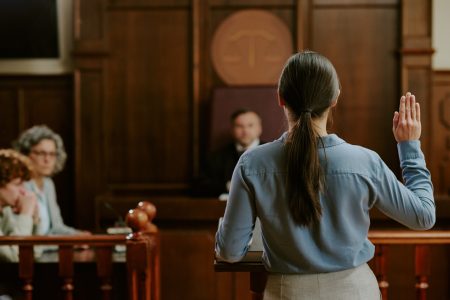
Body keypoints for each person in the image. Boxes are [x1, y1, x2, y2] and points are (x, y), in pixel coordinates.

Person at [215, 51, 435, 299]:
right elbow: (423, 217)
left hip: (286, 292)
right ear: (334, 99)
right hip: (354, 291)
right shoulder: (364, 161)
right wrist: (410, 147)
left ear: (280, 98)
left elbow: (230, 252)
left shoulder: (252, 163)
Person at [13, 125, 88, 236]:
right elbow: (25, 236)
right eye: (41, 153)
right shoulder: (17, 185)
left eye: (52, 154)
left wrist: (78, 235)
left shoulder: (48, 184)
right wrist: (67, 243)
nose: (47, 159)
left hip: (48, 250)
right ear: (26, 154)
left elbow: (57, 228)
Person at [194, 109, 263, 197]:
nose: (245, 131)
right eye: (239, 126)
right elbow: (200, 186)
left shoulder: (273, 153)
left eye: (250, 125)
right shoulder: (216, 156)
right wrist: (228, 186)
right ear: (232, 129)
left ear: (259, 128)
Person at [0, 149, 39, 262]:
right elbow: (12, 259)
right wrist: (25, 214)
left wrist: (34, 220)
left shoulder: (5, 211)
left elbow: (35, 253)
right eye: (18, 184)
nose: (23, 191)